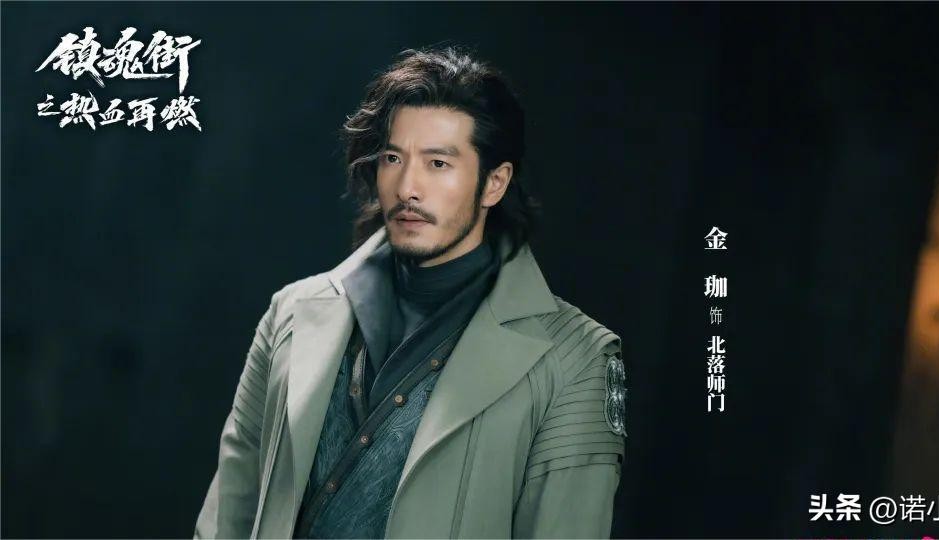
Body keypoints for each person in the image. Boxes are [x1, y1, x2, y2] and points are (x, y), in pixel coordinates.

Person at [194, 45, 628, 539]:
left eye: (438, 163)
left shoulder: (576, 358)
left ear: (494, 182)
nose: (407, 188)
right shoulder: (292, 313)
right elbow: (229, 514)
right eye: (393, 158)